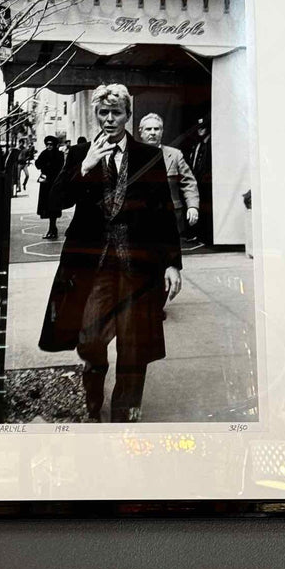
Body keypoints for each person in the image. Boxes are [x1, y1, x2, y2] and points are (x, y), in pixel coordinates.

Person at [38, 84, 182, 423]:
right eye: (103, 113)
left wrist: (172, 263)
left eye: (116, 113)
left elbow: (163, 212)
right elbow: (55, 201)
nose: (109, 119)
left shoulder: (149, 156)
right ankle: (93, 386)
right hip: (94, 266)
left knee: (134, 348)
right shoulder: (80, 155)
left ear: (127, 116)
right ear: (96, 115)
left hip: (137, 268)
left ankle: (125, 415)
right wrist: (85, 167)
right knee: (89, 337)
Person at [137, 113, 199, 236]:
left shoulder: (175, 155)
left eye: (157, 129)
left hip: (171, 214)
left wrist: (193, 206)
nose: (153, 132)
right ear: (141, 132)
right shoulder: (133, 156)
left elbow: (189, 183)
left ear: (162, 131)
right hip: (141, 214)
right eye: (148, 129)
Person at [187, 116, 213, 246]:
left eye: (203, 128)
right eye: (198, 128)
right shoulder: (197, 144)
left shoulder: (211, 145)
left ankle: (206, 237)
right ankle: (197, 234)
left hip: (206, 183)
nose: (200, 131)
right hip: (196, 181)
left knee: (206, 208)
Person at [35, 135, 64, 239]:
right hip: (46, 185)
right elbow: (37, 164)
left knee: (54, 207)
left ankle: (53, 229)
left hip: (55, 184)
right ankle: (52, 229)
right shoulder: (44, 153)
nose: (49, 146)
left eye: (51, 144)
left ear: (55, 145)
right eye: (47, 144)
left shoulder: (59, 155)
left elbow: (60, 168)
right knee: (47, 207)